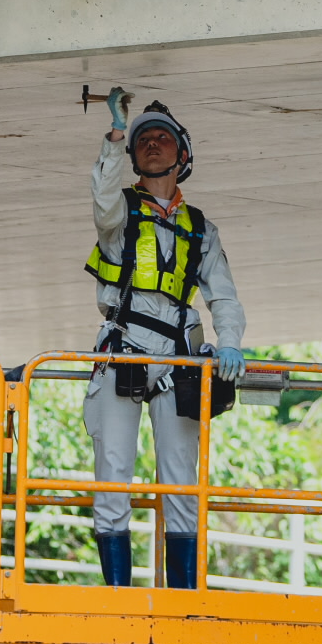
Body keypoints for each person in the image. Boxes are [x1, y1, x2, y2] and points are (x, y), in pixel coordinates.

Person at [82, 90, 246, 591]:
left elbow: (224, 297)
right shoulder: (120, 215)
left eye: (162, 138)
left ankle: (183, 595)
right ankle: (117, 596)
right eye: (143, 140)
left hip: (179, 361)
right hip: (123, 352)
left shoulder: (201, 229)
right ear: (133, 156)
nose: (152, 144)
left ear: (182, 153)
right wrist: (114, 136)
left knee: (181, 480)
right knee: (113, 475)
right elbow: (103, 201)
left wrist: (231, 341)